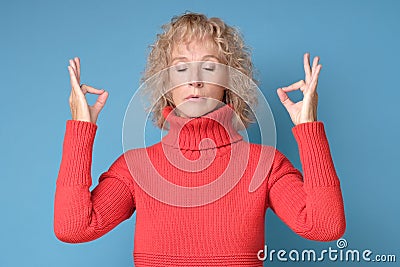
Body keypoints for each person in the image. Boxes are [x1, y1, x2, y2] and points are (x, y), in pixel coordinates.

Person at [54, 12, 346, 267]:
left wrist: (308, 128)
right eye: (180, 68)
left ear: (230, 81)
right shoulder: (136, 168)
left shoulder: (265, 165)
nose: (194, 79)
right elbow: (74, 228)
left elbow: (325, 226)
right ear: (165, 84)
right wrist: (81, 127)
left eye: (209, 67)